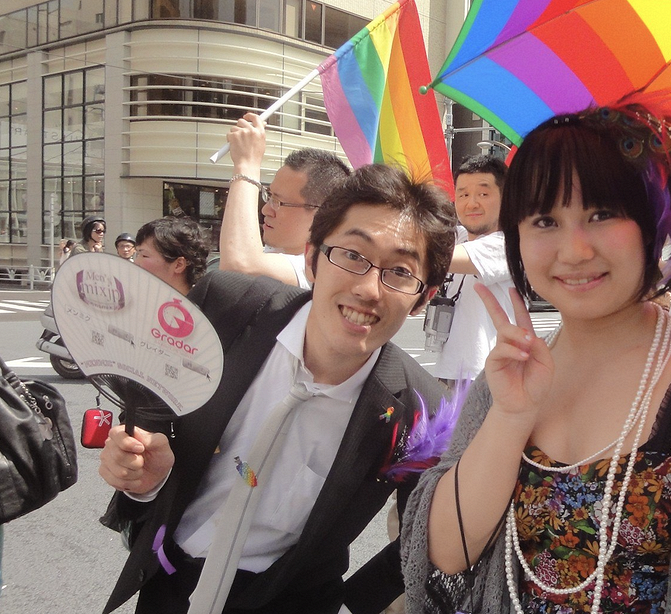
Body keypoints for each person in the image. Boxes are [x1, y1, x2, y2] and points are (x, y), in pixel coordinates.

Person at [399, 103, 671, 614]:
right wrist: (510, 416)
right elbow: (447, 553)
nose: (574, 250)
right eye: (545, 220)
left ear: (652, 224)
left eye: (602, 214)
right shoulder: (510, 374)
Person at [97, 163, 456, 614]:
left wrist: (354, 604)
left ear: (425, 296)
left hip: (291, 598)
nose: (368, 289)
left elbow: (427, 537)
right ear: (312, 257)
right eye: (352, 255)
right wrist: (144, 478)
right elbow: (153, 409)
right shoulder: (225, 306)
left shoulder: (421, 408)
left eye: (400, 271)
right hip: (168, 582)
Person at [220, 112, 351, 289]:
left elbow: (239, 265)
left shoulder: (315, 270)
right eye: (269, 196)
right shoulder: (272, 254)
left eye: (278, 202)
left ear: (320, 214)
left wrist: (247, 164)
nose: (265, 210)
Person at [431, 155, 514, 386]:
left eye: (483, 194)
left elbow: (435, 255)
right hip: (450, 373)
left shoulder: (507, 245)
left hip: (489, 378)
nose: (472, 203)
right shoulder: (460, 238)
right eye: (463, 195)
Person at [132, 218, 211, 296]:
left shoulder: (202, 303)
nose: (135, 263)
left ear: (179, 265)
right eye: (137, 254)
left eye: (144, 255)